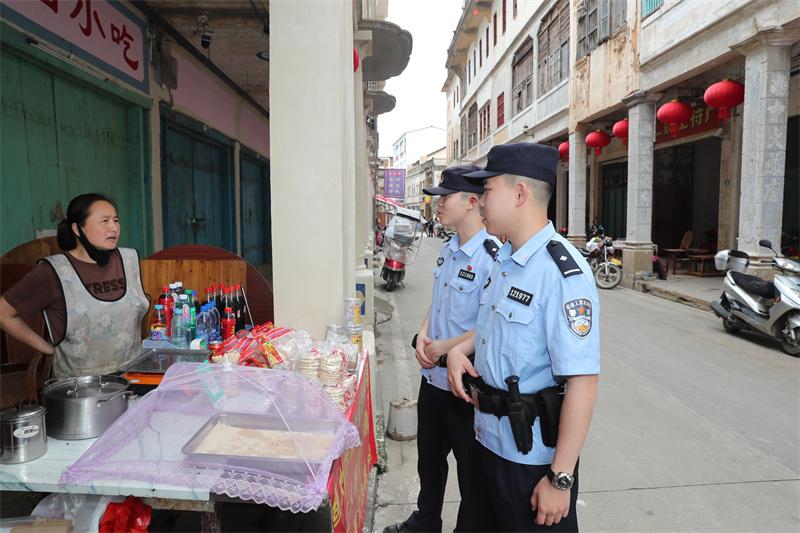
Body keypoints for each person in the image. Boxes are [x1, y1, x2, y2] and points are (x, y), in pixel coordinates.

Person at [446, 143, 600, 532]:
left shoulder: (561, 273)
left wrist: (560, 478)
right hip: (485, 441)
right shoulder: (505, 259)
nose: (481, 201)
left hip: (529, 461)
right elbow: (493, 329)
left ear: (520, 194)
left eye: (488, 190)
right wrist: (460, 351)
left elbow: (583, 381)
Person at [383, 166, 500, 533]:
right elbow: (438, 301)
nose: (438, 204)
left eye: (445, 197)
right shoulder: (450, 248)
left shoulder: (493, 257)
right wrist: (422, 334)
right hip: (432, 379)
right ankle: (426, 520)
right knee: (429, 460)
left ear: (471, 202)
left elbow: (490, 325)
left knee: (471, 472)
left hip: (464, 386)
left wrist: (442, 350)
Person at [0, 193, 150, 377]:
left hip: (132, 377)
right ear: (77, 229)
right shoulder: (55, 271)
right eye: (104, 221)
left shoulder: (129, 260)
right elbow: (3, 313)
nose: (113, 227)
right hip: (79, 387)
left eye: (116, 220)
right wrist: (48, 349)